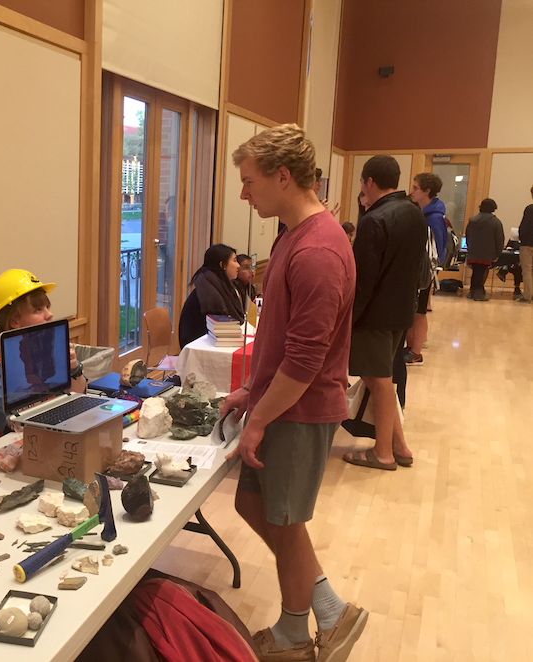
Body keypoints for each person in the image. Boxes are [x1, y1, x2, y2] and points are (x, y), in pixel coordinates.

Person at [222, 124, 364, 662]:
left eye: (249, 181)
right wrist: (248, 392)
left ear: (283, 177)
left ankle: (294, 634)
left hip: (300, 411)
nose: (244, 193)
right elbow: (279, 338)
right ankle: (328, 611)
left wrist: (259, 418)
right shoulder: (291, 235)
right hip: (281, 400)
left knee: (283, 518)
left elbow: (305, 360)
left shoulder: (319, 251)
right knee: (257, 507)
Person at [343, 155, 426, 474]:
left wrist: (348, 319)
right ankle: (399, 446)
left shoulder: (374, 220)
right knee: (382, 380)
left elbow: (364, 280)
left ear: (369, 182)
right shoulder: (412, 212)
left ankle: (384, 453)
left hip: (375, 314)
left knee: (378, 382)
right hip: (402, 311)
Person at [0, 269, 86, 450]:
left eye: (48, 307)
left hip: (30, 441)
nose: (49, 315)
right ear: (15, 321)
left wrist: (74, 369)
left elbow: (77, 395)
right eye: (38, 310)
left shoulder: (38, 348)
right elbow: (13, 422)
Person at [405, 172, 446, 364]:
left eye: (415, 188)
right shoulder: (424, 212)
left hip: (424, 272)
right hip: (420, 271)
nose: (412, 191)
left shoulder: (434, 217)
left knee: (420, 313)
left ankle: (415, 352)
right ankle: (412, 346)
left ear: (427, 191)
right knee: (416, 312)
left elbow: (435, 249)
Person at [178, 244, 246, 347]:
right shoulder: (208, 290)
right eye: (235, 260)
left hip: (212, 339)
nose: (238, 266)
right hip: (199, 343)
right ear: (222, 265)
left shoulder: (220, 284)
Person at [464, 198, 505, 301]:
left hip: (473, 251)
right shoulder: (495, 222)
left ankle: (472, 291)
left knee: (476, 271)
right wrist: (498, 253)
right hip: (487, 252)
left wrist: (470, 248)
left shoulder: (472, 220)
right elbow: (499, 239)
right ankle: (478, 293)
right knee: (481, 272)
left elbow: (468, 236)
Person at [519, 185, 533, 303]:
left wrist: (521, 239)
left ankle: (528, 296)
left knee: (527, 271)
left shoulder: (530, 209)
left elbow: (524, 227)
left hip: (528, 244)